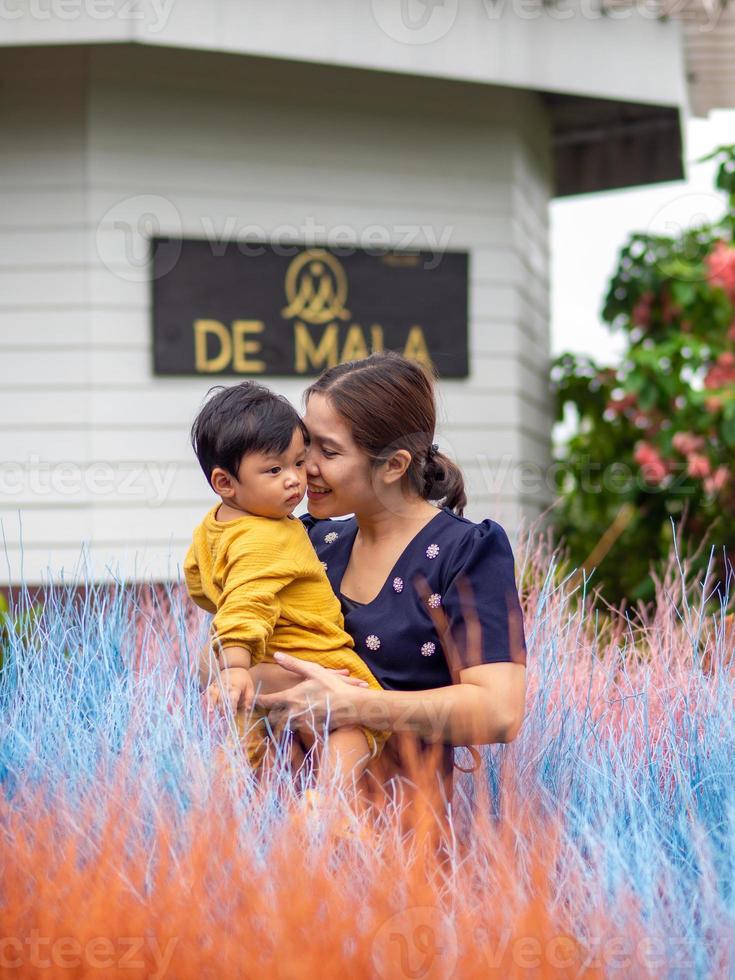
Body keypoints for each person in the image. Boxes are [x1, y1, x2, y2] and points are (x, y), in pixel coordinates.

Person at [212, 351, 528, 803]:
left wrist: (356, 706)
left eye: (328, 451)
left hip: (398, 833)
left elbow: (500, 711)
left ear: (394, 465)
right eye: (304, 445)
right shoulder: (308, 540)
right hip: (275, 820)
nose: (304, 465)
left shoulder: (464, 553)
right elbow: (221, 655)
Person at [184, 381, 390, 786]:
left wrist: (236, 657)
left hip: (263, 657)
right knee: (357, 723)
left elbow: (199, 581)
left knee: (246, 745)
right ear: (225, 482)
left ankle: (241, 802)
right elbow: (247, 599)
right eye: (274, 470)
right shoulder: (269, 535)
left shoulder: (214, 525)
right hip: (316, 657)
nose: (296, 479)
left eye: (298, 462)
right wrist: (236, 666)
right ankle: (328, 802)